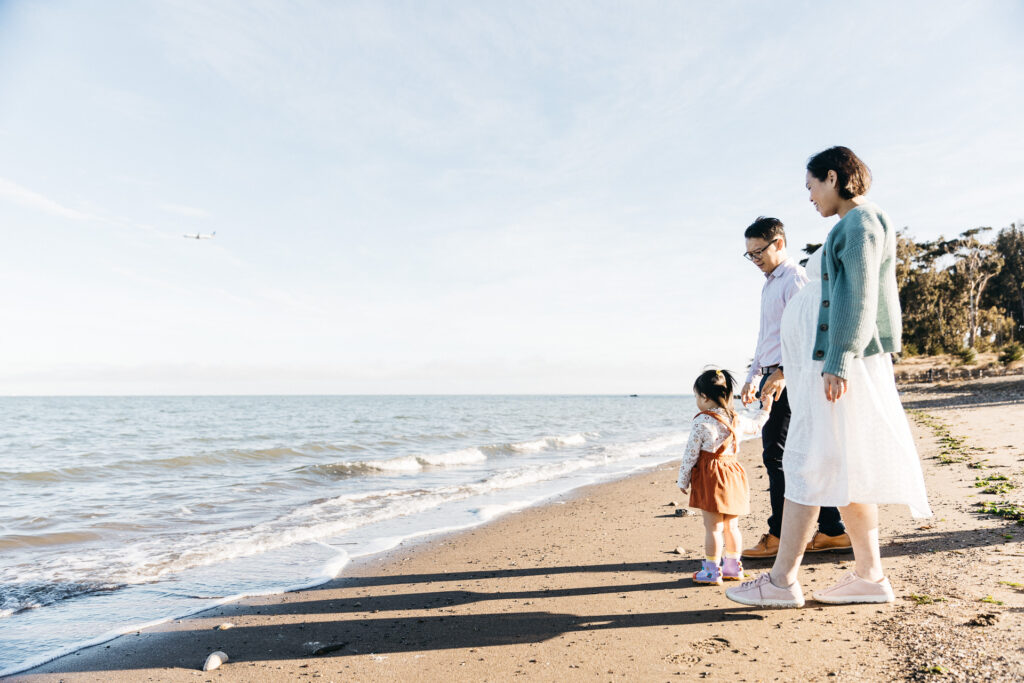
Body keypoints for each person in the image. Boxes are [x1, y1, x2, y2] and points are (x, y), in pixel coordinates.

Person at [726, 146, 932, 608]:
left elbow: (857, 295)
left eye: (812, 186)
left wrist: (838, 360)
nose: (810, 197)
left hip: (834, 367)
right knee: (843, 465)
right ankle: (869, 575)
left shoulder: (860, 223)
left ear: (834, 177)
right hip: (827, 366)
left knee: (807, 462)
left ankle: (781, 583)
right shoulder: (854, 224)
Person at [739, 217, 851, 559]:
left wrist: (783, 373)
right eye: (749, 254)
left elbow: (811, 330)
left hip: (794, 376)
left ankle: (780, 534)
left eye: (759, 251)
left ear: (779, 244)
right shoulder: (769, 282)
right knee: (795, 453)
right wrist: (752, 375)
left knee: (778, 454)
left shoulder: (795, 278)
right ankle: (831, 530)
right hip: (773, 374)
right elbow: (768, 335)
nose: (755, 259)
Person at [678, 369, 772, 585]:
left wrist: (683, 480)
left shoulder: (701, 421)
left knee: (713, 528)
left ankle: (711, 571)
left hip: (711, 476)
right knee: (732, 526)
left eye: (696, 396)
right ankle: (732, 566)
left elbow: (691, 453)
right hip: (733, 473)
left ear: (705, 397)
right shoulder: (735, 418)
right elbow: (757, 426)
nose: (696, 401)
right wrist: (766, 408)